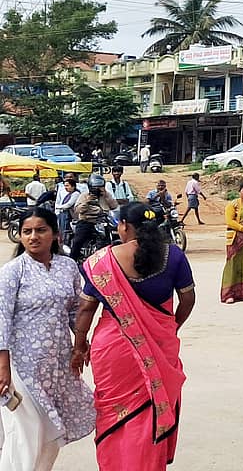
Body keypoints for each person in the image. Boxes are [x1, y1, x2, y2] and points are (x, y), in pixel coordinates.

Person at [73, 202, 195, 470]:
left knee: (114, 415)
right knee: (152, 407)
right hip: (160, 346)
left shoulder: (102, 260)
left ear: (125, 226)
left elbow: (85, 308)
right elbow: (187, 299)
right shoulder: (173, 256)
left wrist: (79, 346)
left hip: (112, 351)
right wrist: (168, 327)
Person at [0, 207, 94, 469]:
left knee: (51, 431)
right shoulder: (13, 271)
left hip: (57, 364)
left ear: (56, 234)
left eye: (41, 230)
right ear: (19, 236)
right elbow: (1, 319)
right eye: (27, 231)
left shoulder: (68, 266)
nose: (33, 237)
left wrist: (80, 345)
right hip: (21, 366)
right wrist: (3, 367)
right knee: (23, 432)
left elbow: (77, 310)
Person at [71, 174, 118, 262]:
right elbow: (78, 210)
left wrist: (106, 195)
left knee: (113, 238)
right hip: (87, 221)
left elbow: (114, 206)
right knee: (78, 241)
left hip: (103, 221)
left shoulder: (106, 195)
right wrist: (87, 201)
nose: (97, 190)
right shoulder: (84, 196)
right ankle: (72, 260)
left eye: (99, 187)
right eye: (95, 188)